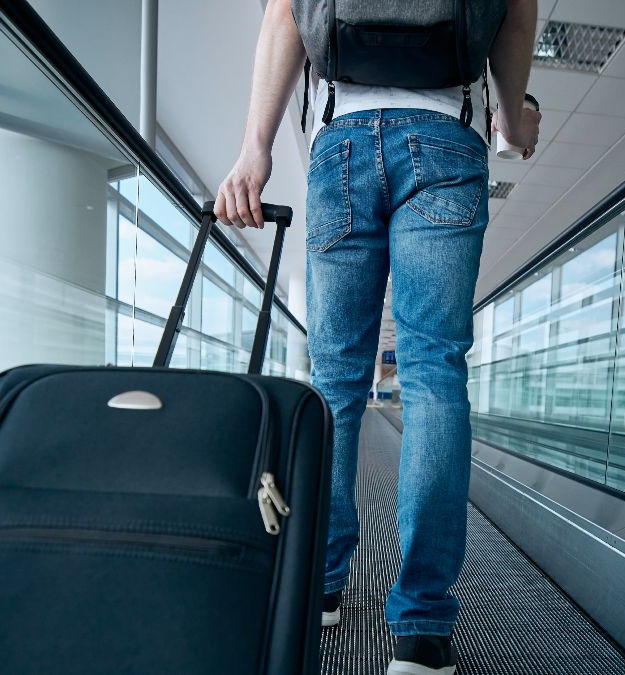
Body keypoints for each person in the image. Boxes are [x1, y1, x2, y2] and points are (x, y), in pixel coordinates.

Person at [214, 1, 540, 672]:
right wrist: (511, 119)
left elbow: (285, 12)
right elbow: (517, 6)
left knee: (335, 379)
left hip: (344, 137)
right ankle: (420, 631)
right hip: (448, 135)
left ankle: (321, 582)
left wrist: (256, 148)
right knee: (433, 376)